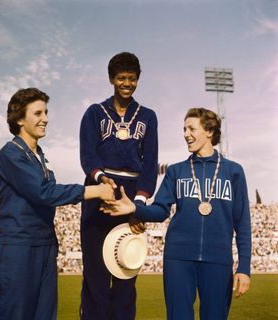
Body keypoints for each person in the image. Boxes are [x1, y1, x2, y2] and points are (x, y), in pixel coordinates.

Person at [102, 107, 252, 320]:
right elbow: (160, 210)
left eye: (191, 128)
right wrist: (135, 208)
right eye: (184, 129)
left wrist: (244, 267)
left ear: (209, 131)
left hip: (218, 260)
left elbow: (242, 222)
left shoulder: (233, 172)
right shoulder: (176, 171)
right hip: (178, 259)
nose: (185, 134)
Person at [0, 88, 115, 320]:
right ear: (19, 119)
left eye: (45, 112)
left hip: (46, 246)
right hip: (19, 248)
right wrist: (95, 190)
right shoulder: (10, 154)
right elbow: (43, 193)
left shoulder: (40, 157)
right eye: (37, 113)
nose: (45, 118)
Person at [79, 52, 158, 319]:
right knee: (95, 279)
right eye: (121, 78)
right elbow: (87, 155)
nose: (127, 83)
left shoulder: (148, 116)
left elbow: (150, 165)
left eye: (132, 79)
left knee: (126, 274)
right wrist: (101, 179)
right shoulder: (94, 112)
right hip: (99, 195)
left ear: (138, 80)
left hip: (130, 199)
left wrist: (138, 206)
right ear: (112, 79)